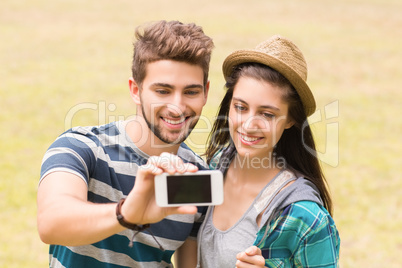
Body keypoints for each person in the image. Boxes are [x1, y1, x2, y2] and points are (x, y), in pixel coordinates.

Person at [37, 20, 214, 268]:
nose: (177, 107)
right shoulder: (82, 147)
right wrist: (126, 213)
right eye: (163, 91)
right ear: (135, 89)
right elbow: (51, 223)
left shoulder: (196, 176)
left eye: (191, 92)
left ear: (205, 92)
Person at [196, 35, 340, 267]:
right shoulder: (214, 166)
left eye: (267, 114)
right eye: (240, 107)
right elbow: (160, 207)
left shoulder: (305, 216)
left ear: (291, 119)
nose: (249, 124)